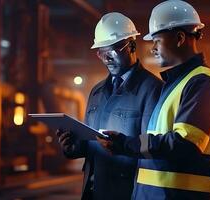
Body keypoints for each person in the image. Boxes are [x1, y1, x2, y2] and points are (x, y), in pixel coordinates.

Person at [97, 1, 210, 199]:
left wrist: (125, 144)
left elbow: (185, 145)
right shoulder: (175, 84)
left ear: (180, 38)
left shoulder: (202, 83)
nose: (153, 48)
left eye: (157, 41)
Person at [56, 12, 162, 200]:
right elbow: (91, 144)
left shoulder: (152, 89)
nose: (107, 58)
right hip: (93, 191)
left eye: (113, 50)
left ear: (132, 45)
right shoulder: (97, 92)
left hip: (127, 192)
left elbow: (153, 148)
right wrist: (73, 147)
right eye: (101, 53)